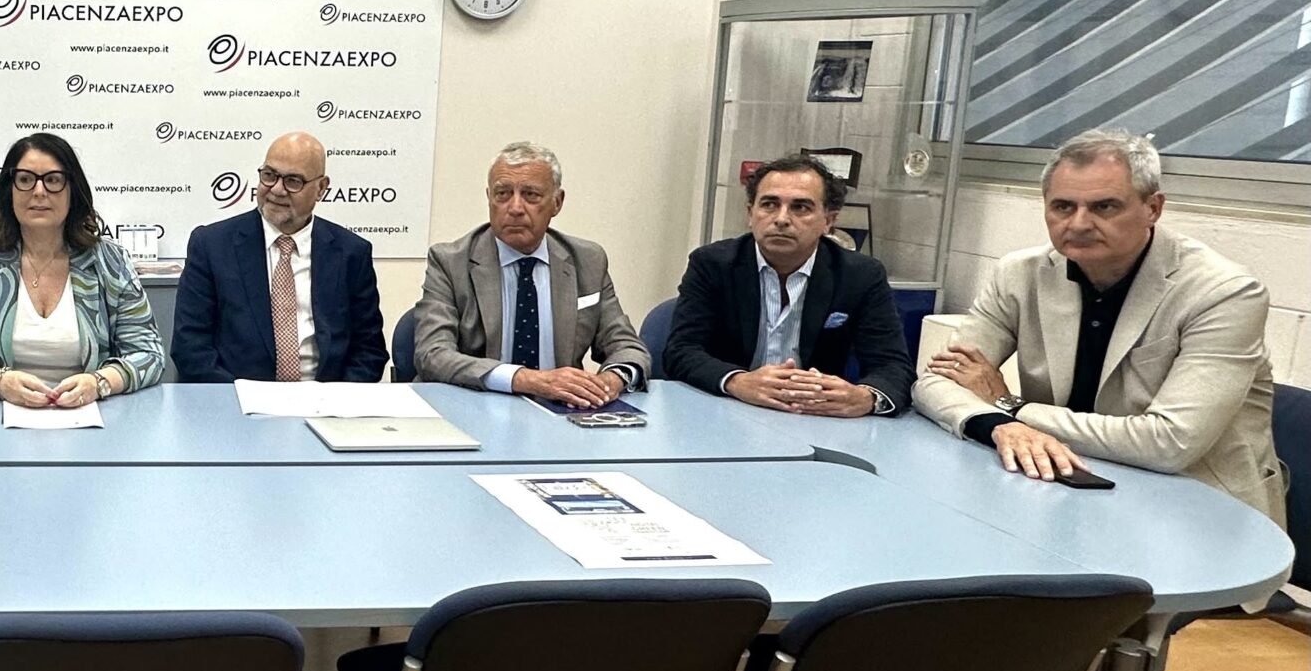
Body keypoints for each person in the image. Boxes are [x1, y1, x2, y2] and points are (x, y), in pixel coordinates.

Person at [915, 128, 1282, 519]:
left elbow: (1170, 443)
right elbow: (934, 383)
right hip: (1064, 484)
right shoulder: (1018, 274)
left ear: (1153, 208)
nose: (1079, 223)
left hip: (1194, 507)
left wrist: (1011, 407)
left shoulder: (1224, 292)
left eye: (1104, 207)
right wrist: (997, 423)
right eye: (1062, 207)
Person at [663, 151, 913, 415]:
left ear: (828, 221)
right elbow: (681, 351)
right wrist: (737, 381)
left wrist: (866, 398)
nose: (781, 219)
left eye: (800, 207)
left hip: (814, 418)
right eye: (769, 204)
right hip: (727, 410)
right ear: (750, 214)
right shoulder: (712, 264)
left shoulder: (860, 276)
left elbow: (893, 366)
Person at [0, 132, 166, 408]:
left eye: (53, 180)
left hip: (91, 413)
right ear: (9, 190)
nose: (39, 191)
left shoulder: (110, 262)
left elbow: (149, 354)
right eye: (25, 180)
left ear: (72, 191)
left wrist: (99, 383)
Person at [410, 142, 647, 404]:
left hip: (560, 411)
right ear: (489, 198)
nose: (515, 208)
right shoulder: (450, 262)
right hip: (474, 404)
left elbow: (627, 347)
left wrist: (610, 381)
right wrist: (527, 380)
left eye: (530, 195)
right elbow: (433, 354)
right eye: (502, 194)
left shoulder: (588, 260)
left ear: (557, 202)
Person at [172, 132, 388, 383]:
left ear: (321, 188)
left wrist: (333, 398)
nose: (276, 189)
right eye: (269, 175)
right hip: (237, 397)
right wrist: (242, 396)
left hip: (325, 398)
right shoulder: (212, 246)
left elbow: (369, 351)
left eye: (293, 181)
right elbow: (190, 348)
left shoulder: (351, 253)